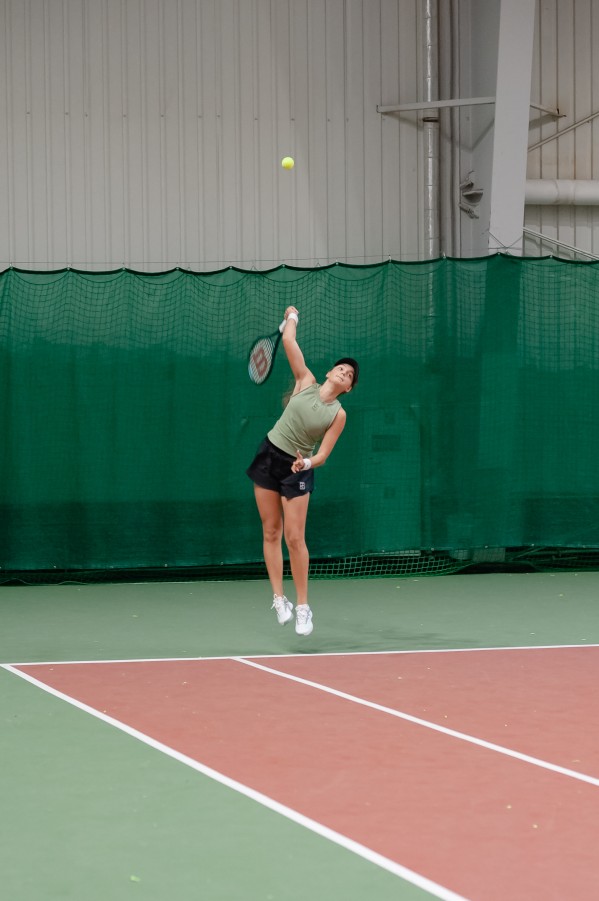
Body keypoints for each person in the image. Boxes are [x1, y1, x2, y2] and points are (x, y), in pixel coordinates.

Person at [246, 306, 359, 636]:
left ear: (349, 388)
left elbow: (323, 454)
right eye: (340, 368)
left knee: (295, 539)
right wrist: (292, 317)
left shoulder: (338, 414)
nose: (343, 373)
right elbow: (289, 341)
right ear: (329, 372)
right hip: (269, 454)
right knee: (271, 531)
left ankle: (303, 607)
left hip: (298, 469)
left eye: (349, 375)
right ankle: (279, 599)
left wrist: (305, 463)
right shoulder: (305, 380)